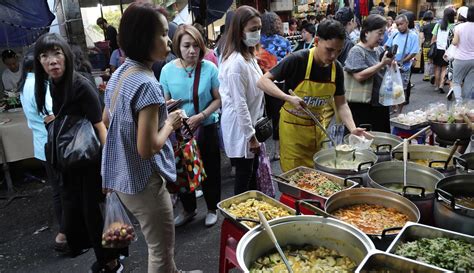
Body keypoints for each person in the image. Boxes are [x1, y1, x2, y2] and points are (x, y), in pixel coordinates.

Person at [101, 3, 185, 272]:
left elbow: (107, 120)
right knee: (160, 251)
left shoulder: (121, 73)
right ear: (143, 38)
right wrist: (170, 122)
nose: (169, 39)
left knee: (160, 247)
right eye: (162, 33)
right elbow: (147, 149)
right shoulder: (148, 84)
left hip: (122, 177)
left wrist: (159, 114)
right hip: (145, 183)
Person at [34, 33, 123, 272]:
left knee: (94, 215)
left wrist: (109, 170)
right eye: (45, 55)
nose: (52, 60)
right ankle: (105, 258)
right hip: (71, 162)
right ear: (39, 62)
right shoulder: (53, 84)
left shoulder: (80, 85)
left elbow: (100, 127)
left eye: (57, 53)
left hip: (91, 162)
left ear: (66, 56)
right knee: (80, 215)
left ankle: (111, 262)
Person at [257, 20, 371, 172]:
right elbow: (263, 81)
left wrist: (352, 128)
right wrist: (288, 98)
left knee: (316, 176)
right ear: (317, 41)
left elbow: (341, 104)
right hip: (293, 133)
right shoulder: (298, 59)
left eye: (338, 51)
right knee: (295, 177)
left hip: (318, 132)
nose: (333, 56)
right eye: (329, 50)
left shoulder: (336, 69)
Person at [160, 25, 221, 227]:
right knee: (182, 172)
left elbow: (218, 99)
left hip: (206, 127)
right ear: (178, 46)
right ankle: (189, 209)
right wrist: (173, 111)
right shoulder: (167, 71)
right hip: (180, 132)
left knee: (210, 170)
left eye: (196, 45)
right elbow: (164, 102)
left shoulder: (210, 69)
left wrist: (201, 115)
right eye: (187, 45)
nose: (192, 50)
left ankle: (212, 208)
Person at [19, 51, 66, 252]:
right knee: (63, 191)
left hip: (42, 145)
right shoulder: (38, 86)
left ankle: (65, 232)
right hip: (52, 144)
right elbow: (50, 115)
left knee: (57, 191)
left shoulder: (23, 86)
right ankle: (65, 233)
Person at [218, 5, 265, 194]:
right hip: (242, 128)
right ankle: (239, 218)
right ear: (239, 31)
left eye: (259, 28)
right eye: (252, 30)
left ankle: (252, 213)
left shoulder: (249, 55)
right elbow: (240, 104)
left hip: (250, 124)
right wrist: (251, 136)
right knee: (244, 179)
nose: (257, 33)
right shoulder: (236, 63)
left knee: (252, 174)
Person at [345, 14, 394, 133]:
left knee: (381, 140)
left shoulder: (379, 50)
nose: (382, 37)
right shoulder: (357, 51)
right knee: (364, 141)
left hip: (380, 103)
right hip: (362, 106)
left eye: (384, 33)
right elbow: (359, 76)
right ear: (366, 32)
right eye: (379, 33)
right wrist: (381, 64)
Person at [259, 11, 292, 160]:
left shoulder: (258, 42)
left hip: (262, 83)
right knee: (279, 118)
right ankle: (277, 151)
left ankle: (261, 149)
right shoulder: (284, 42)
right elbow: (288, 62)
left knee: (262, 117)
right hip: (280, 83)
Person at [384, 14, 419, 105]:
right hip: (392, 65)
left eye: (401, 24)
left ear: (407, 23)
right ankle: (394, 106)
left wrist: (403, 61)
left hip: (404, 66)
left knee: (402, 88)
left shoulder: (413, 35)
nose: (399, 27)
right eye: (397, 24)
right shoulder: (395, 33)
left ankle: (400, 109)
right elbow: (387, 46)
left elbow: (414, 52)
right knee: (391, 86)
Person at [450, 5, 474, 102]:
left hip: (461, 58)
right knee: (470, 82)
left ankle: (459, 102)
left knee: (456, 81)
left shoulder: (459, 27)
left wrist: (452, 40)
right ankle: (467, 105)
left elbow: (455, 42)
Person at [431, 7, 455, 94]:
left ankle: (436, 86)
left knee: (437, 68)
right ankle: (441, 85)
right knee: (444, 68)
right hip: (447, 50)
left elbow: (433, 38)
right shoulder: (453, 26)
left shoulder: (438, 25)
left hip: (438, 49)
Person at [446, 6, 468, 101]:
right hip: (467, 55)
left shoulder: (453, 27)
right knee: (464, 75)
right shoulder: (470, 27)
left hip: (454, 54)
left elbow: (448, 43)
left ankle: (452, 88)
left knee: (453, 74)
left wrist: (447, 51)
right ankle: (459, 90)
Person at [420, 10, 436, 81]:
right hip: (434, 46)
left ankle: (426, 76)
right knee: (433, 61)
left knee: (426, 61)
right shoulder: (436, 25)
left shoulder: (423, 27)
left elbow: (422, 38)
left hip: (426, 45)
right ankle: (433, 75)